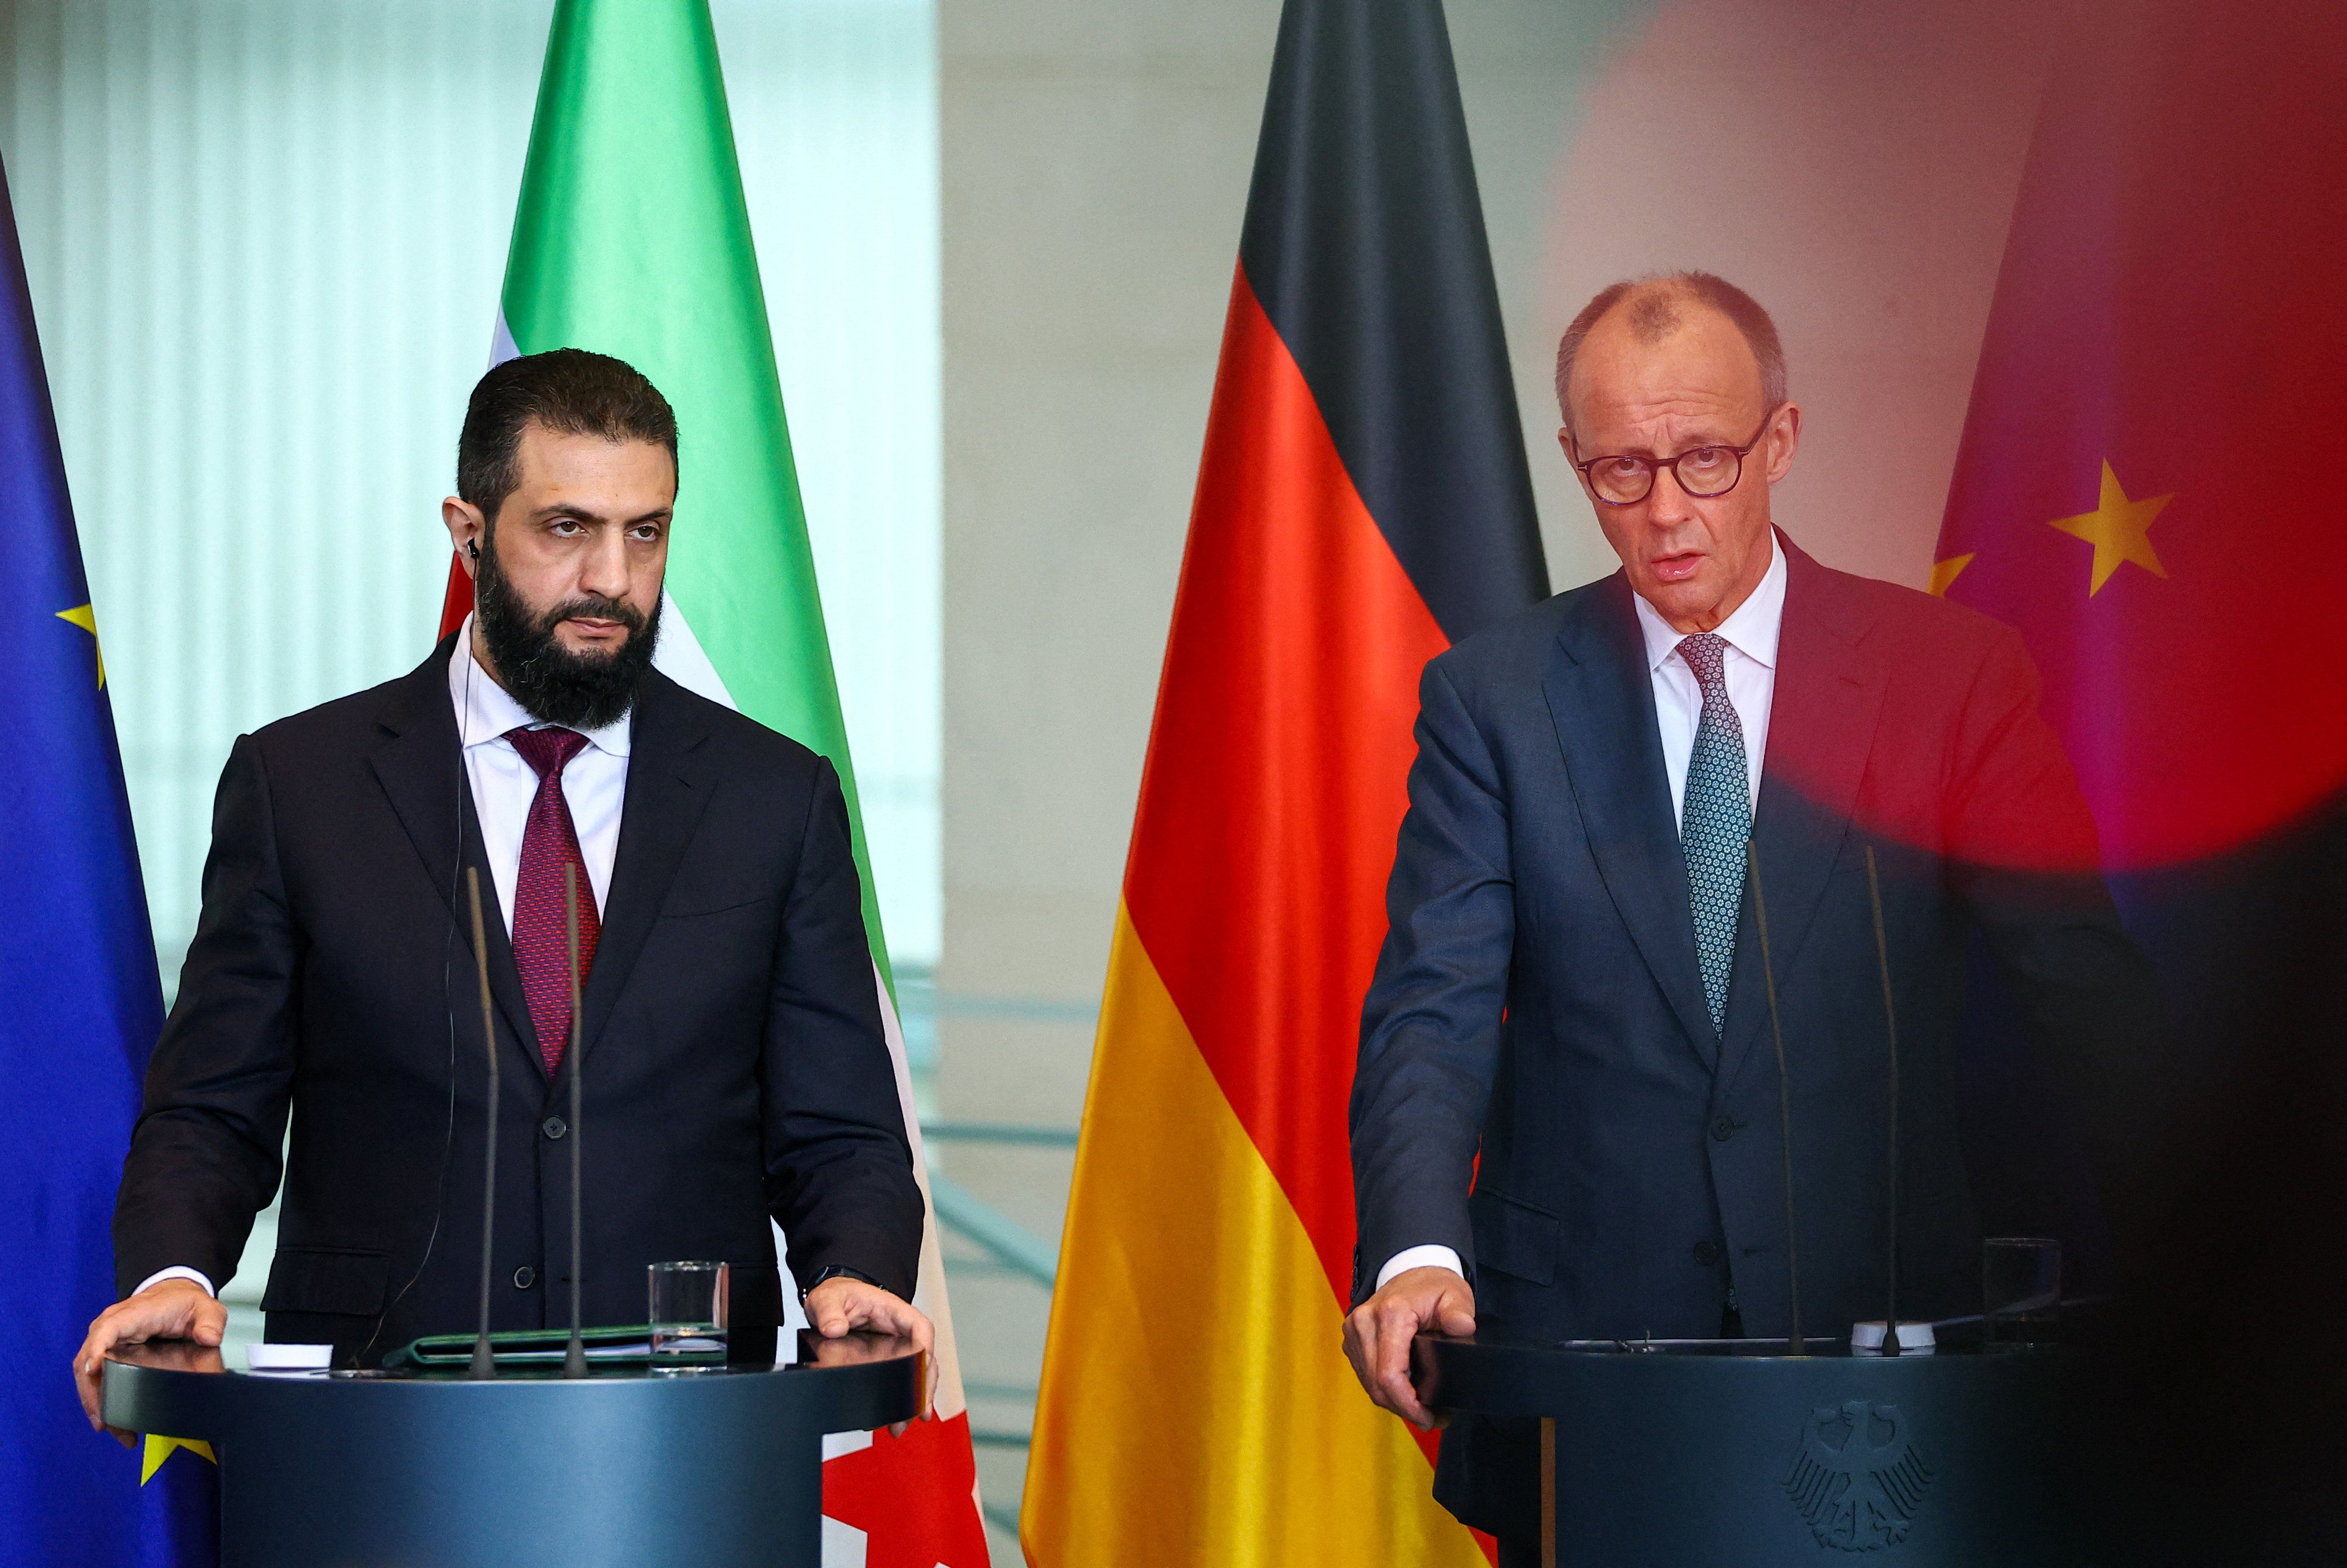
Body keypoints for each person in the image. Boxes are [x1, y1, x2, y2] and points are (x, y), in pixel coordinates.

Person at [1340, 273, 2159, 1556]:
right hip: (1589, 1376)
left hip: (1883, 1365)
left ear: (1779, 440)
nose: (1664, 510)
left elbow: (2082, 992)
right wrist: (1413, 1255)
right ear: (1571, 461)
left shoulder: (1947, 678)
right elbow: (1431, 1010)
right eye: (1620, 470)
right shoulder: (1492, 702)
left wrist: (2219, 1239)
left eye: (1705, 459)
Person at [76, 350, 928, 1430]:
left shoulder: (776, 798)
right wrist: (172, 1278)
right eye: (566, 528)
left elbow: (841, 1129)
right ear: (468, 526)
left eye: (646, 531)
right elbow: (213, 1104)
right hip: (368, 1435)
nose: (613, 580)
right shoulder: (302, 784)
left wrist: (851, 1269)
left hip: (687, 1432)